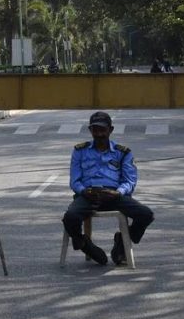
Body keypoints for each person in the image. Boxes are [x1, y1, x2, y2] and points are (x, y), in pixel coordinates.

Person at [62, 111, 154, 266]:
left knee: (146, 215)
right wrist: (84, 191)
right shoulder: (80, 151)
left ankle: (121, 244)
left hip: (114, 196)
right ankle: (84, 244)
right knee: (70, 218)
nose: (99, 134)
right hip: (88, 195)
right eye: (95, 130)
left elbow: (130, 181)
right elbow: (74, 181)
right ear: (90, 130)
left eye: (102, 130)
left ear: (110, 130)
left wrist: (117, 192)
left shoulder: (122, 152)